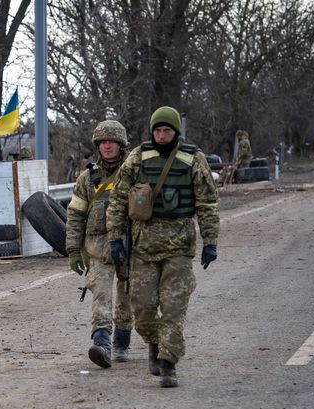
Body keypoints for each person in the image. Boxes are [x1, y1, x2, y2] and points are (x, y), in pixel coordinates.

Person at [106, 106, 220, 387]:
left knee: (173, 308)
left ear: (175, 131)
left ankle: (168, 363)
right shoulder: (138, 157)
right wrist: (115, 238)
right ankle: (155, 344)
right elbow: (118, 199)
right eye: (156, 130)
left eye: (166, 130)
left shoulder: (194, 159)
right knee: (142, 309)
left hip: (179, 247)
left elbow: (207, 203)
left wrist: (210, 241)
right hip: (143, 247)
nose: (161, 135)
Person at [66, 120, 134, 368]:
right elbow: (75, 215)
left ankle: (122, 343)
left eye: (112, 142)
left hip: (130, 248)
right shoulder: (87, 178)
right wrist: (73, 249)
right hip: (97, 248)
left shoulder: (133, 171)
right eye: (103, 142)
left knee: (127, 298)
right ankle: (102, 342)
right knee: (101, 295)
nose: (107, 146)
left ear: (120, 145)